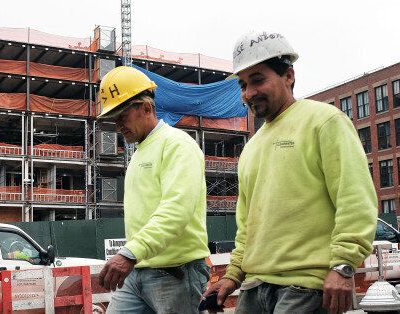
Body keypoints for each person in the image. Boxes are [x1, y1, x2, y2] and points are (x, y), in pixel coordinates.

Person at [202, 30, 378, 314]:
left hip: (305, 288)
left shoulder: (325, 121)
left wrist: (344, 265)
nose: (249, 93)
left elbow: (354, 198)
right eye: (243, 84)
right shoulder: (252, 146)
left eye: (258, 80)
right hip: (254, 289)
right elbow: (247, 223)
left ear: (289, 76)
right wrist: (232, 275)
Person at [96, 66, 211, 313]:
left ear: (146, 108)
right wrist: (134, 256)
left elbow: (176, 209)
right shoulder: (140, 151)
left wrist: (129, 253)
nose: (118, 126)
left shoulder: (177, 145)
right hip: (138, 270)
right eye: (114, 119)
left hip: (176, 273)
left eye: (122, 117)